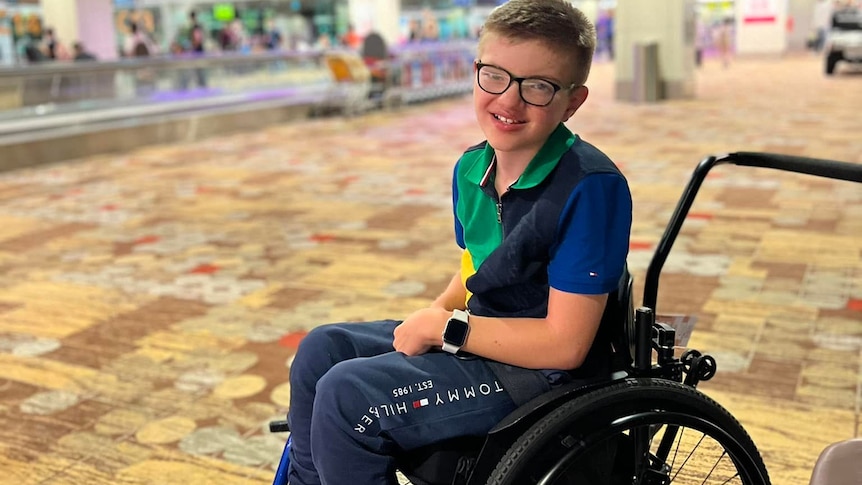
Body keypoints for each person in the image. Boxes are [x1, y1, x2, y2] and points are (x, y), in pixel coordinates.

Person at [284, 1, 632, 484]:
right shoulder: (472, 168)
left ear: (573, 101)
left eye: (537, 86)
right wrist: (432, 316)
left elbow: (566, 345)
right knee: (321, 350)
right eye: (495, 76)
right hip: (482, 333)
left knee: (348, 394)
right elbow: (475, 264)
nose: (509, 102)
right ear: (476, 73)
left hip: (540, 373)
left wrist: (446, 329)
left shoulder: (590, 187)